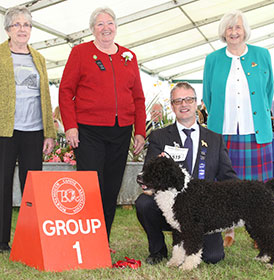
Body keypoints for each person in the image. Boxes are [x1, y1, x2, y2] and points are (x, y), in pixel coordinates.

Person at [59, 7, 146, 240]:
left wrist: (140, 131)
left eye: (110, 23)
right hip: (89, 132)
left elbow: (138, 97)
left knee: (111, 188)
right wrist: (70, 125)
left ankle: (102, 239)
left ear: (116, 27)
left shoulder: (129, 56)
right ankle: (85, 239)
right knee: (90, 187)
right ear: (92, 29)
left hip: (121, 131)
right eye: (100, 24)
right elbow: (66, 90)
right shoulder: (80, 52)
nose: (106, 28)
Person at [135, 82, 237, 265]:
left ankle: (195, 245)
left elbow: (227, 177)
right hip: (170, 208)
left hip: (203, 213)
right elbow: (148, 174)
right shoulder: (159, 136)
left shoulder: (215, 139)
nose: (184, 104)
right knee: (144, 204)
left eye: (188, 99)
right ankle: (158, 251)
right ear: (172, 106)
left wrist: (237, 203)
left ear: (196, 103)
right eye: (178, 101)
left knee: (213, 257)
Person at [203, 10, 274, 247]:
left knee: (258, 186)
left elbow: (267, 92)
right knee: (225, 186)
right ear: (224, 32)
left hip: (255, 131)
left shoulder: (262, 55)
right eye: (229, 28)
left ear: (245, 31)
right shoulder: (212, 59)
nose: (234, 32)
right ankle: (228, 230)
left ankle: (260, 229)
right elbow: (207, 96)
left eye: (238, 28)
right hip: (223, 133)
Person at [0, 6, 55, 253]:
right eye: (17, 25)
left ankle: (31, 237)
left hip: (34, 131)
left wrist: (49, 132)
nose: (22, 29)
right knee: (2, 185)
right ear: (8, 29)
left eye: (27, 25)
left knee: (32, 187)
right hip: (5, 131)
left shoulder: (39, 58)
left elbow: (46, 97)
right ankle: (1, 241)